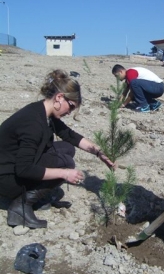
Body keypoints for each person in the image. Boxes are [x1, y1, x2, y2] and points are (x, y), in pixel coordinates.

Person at [0, 69, 115, 229]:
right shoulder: (33, 124)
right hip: (5, 178)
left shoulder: (42, 111)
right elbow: (23, 169)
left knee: (67, 148)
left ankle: (32, 193)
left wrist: (98, 152)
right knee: (66, 164)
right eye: (71, 106)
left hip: (12, 164)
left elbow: (70, 136)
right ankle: (21, 206)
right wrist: (65, 173)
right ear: (60, 97)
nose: (70, 112)